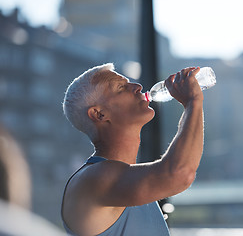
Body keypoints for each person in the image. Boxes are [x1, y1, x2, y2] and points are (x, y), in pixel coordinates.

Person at [61, 63, 204, 235]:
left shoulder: (131, 182)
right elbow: (180, 173)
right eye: (121, 88)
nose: (137, 87)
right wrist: (193, 101)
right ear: (99, 114)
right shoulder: (92, 179)